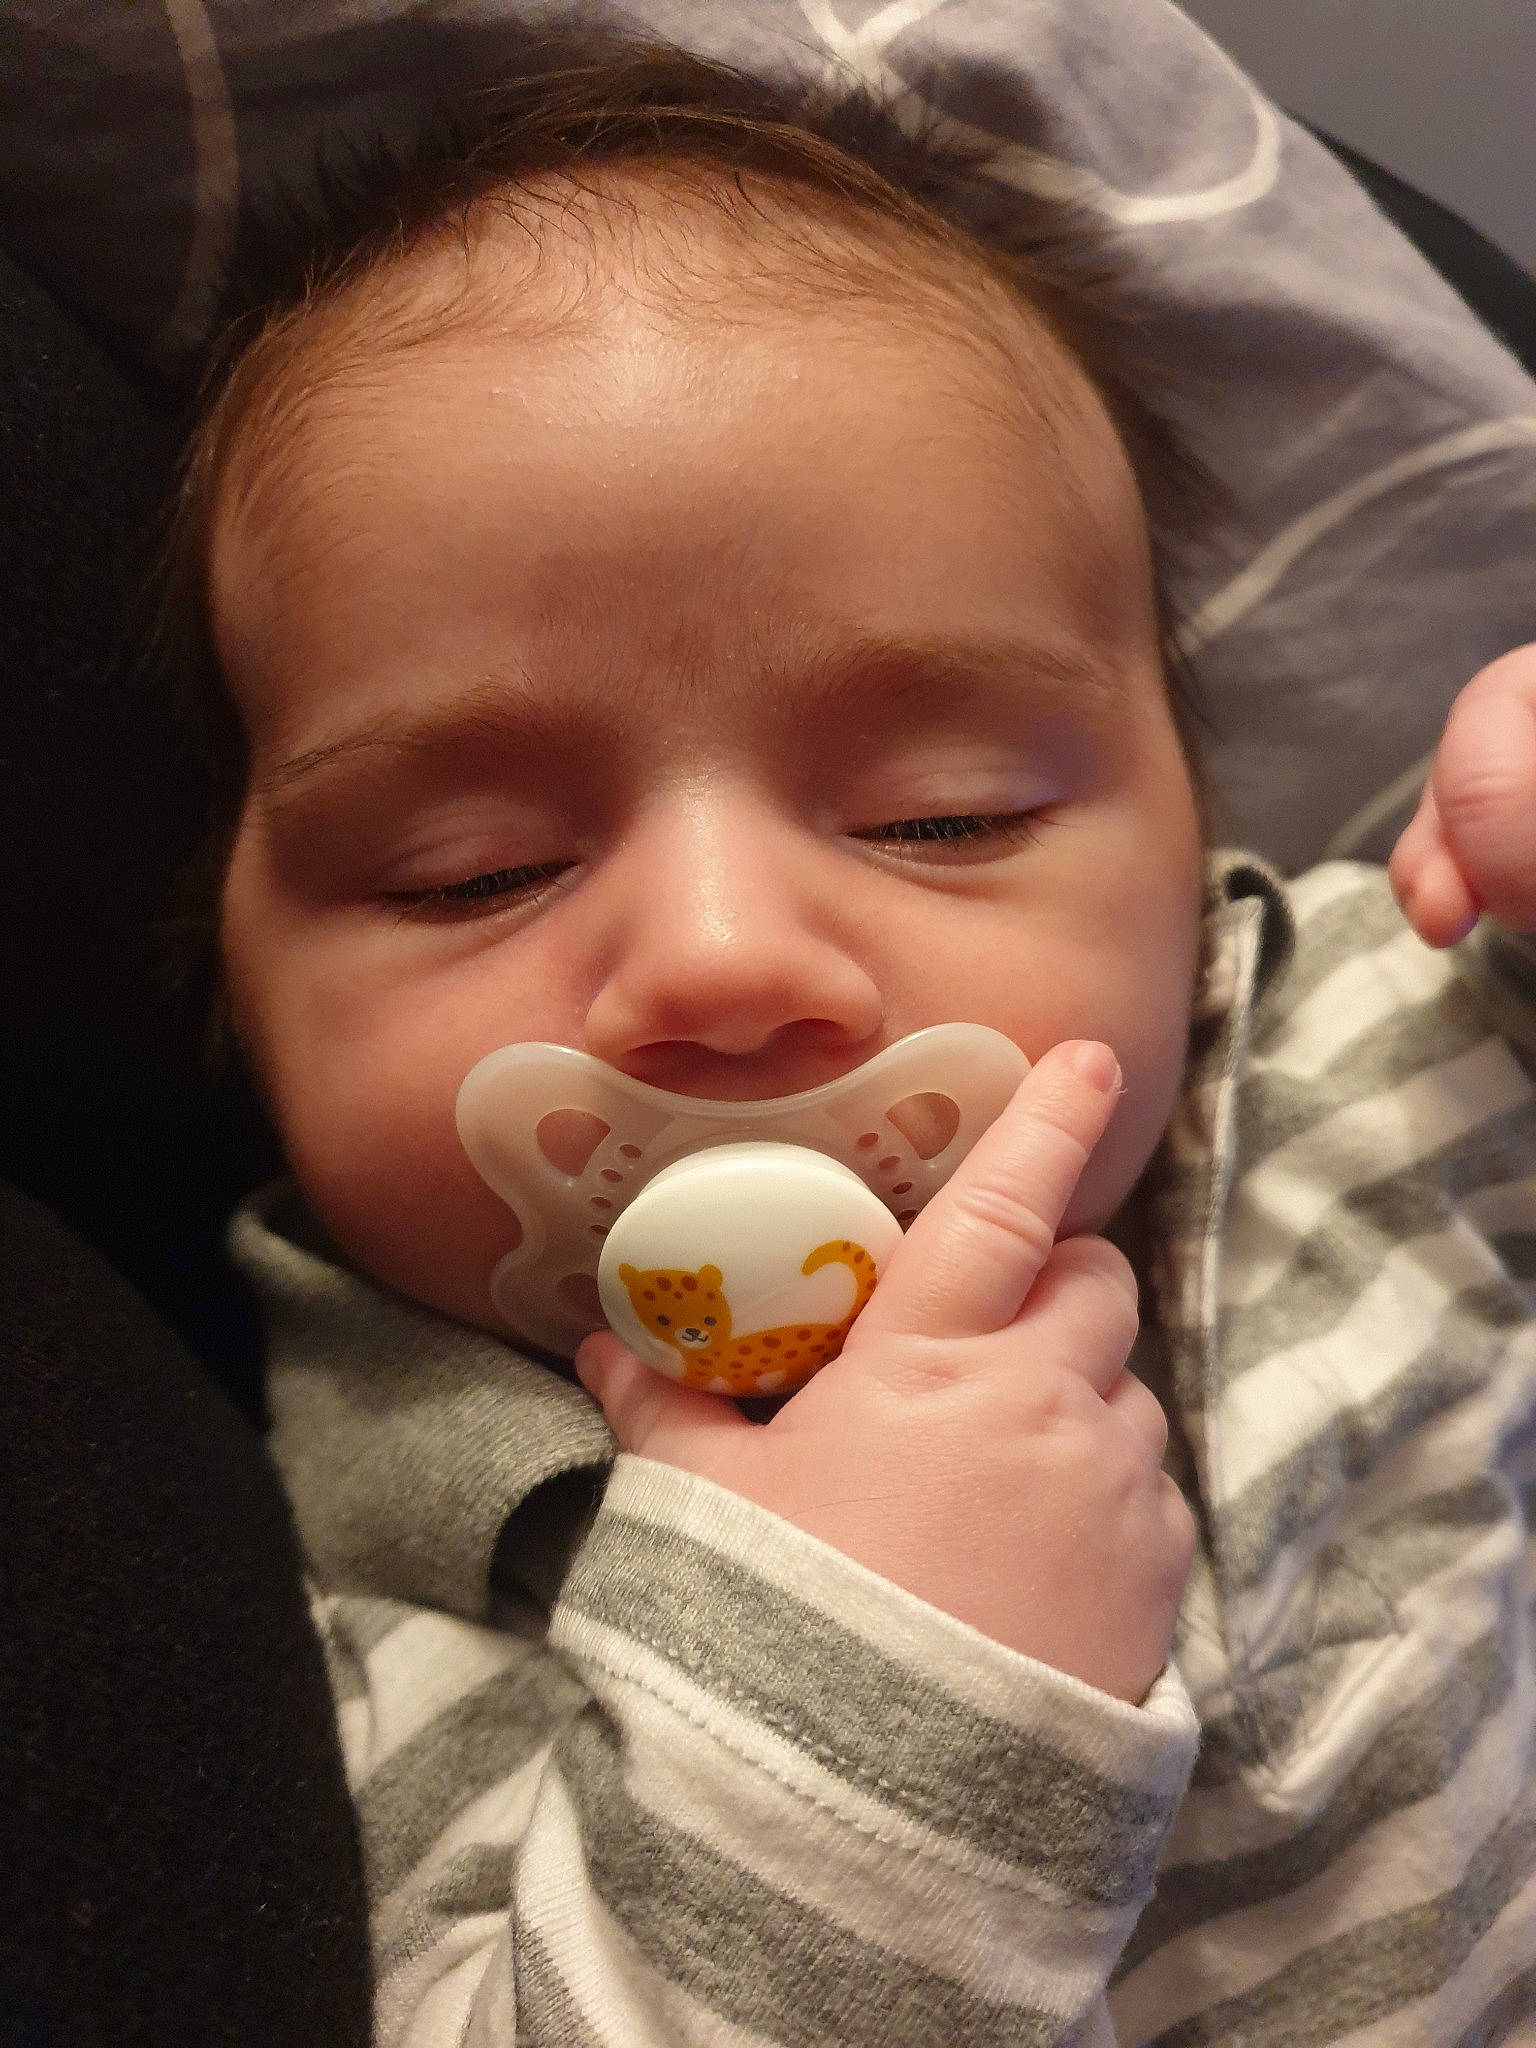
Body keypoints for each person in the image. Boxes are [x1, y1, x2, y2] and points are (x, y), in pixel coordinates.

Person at [165, 32, 1536, 2046]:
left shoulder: (1379, 1043)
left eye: (939, 815)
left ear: (1190, 841)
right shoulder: (342, 1604)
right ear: (234, 993)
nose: (722, 966)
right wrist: (866, 1704)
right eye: (472, 869)